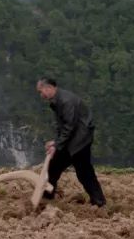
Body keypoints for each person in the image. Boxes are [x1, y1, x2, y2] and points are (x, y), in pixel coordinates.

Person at [36, 77, 106, 207]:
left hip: (80, 141)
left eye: (41, 91)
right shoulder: (57, 101)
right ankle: (46, 198)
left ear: (49, 88)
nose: (41, 95)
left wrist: (57, 145)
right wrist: (55, 142)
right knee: (53, 167)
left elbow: (70, 126)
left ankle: (99, 202)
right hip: (71, 140)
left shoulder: (66, 101)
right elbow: (62, 125)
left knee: (84, 172)